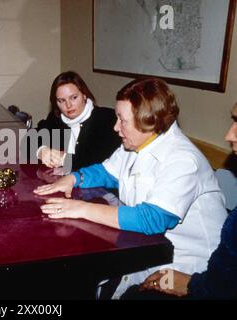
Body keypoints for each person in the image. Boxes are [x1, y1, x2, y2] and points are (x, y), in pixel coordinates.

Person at [34, 77, 228, 299]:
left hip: (188, 269)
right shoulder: (136, 144)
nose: (116, 127)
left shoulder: (183, 159)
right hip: (143, 251)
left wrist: (80, 208)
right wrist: (74, 178)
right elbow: (106, 172)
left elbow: (152, 218)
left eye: (122, 120)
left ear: (149, 121)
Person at [130, 102, 237, 299]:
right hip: (201, 278)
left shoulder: (183, 159)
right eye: (60, 100)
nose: (229, 136)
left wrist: (188, 284)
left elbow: (152, 218)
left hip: (193, 266)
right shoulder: (57, 124)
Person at [35, 71, 120, 171]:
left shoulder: (106, 118)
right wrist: (41, 150)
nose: (68, 105)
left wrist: (64, 159)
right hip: (62, 181)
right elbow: (28, 139)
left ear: (84, 95)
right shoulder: (56, 118)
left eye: (74, 98)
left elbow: (99, 161)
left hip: (96, 184)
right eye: (61, 101)